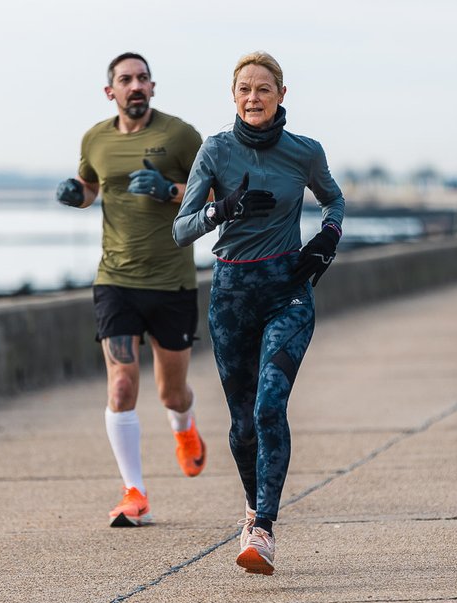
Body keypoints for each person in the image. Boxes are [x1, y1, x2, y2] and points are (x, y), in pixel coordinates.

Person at [173, 51, 344, 575]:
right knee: (243, 424)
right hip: (231, 296)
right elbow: (181, 230)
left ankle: (263, 528)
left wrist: (326, 240)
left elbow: (333, 201)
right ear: (234, 96)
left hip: (287, 289)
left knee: (271, 405)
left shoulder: (305, 152)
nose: (254, 98)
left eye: (263, 89)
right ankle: (253, 506)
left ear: (281, 96)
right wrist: (222, 210)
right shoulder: (216, 150)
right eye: (245, 89)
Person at [56, 52, 206, 528]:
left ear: (153, 87)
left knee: (171, 392)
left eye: (142, 78)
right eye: (126, 79)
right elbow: (90, 187)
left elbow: (218, 193)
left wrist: (168, 191)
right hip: (116, 279)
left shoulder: (180, 136)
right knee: (121, 384)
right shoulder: (95, 139)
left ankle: (184, 428)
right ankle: (134, 492)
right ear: (111, 92)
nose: (135, 85)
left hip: (172, 282)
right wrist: (74, 195)